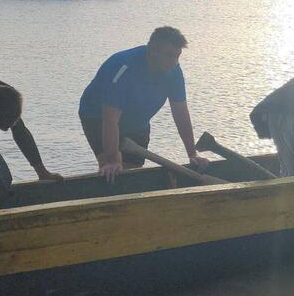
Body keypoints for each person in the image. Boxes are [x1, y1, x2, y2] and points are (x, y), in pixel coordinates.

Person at [78, 26, 209, 182]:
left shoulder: (174, 71)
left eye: (177, 56)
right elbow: (110, 119)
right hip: (98, 117)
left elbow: (180, 112)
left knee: (132, 174)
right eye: (168, 55)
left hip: (137, 122)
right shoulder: (124, 67)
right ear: (152, 50)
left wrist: (192, 154)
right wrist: (112, 160)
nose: (174, 62)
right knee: (113, 170)